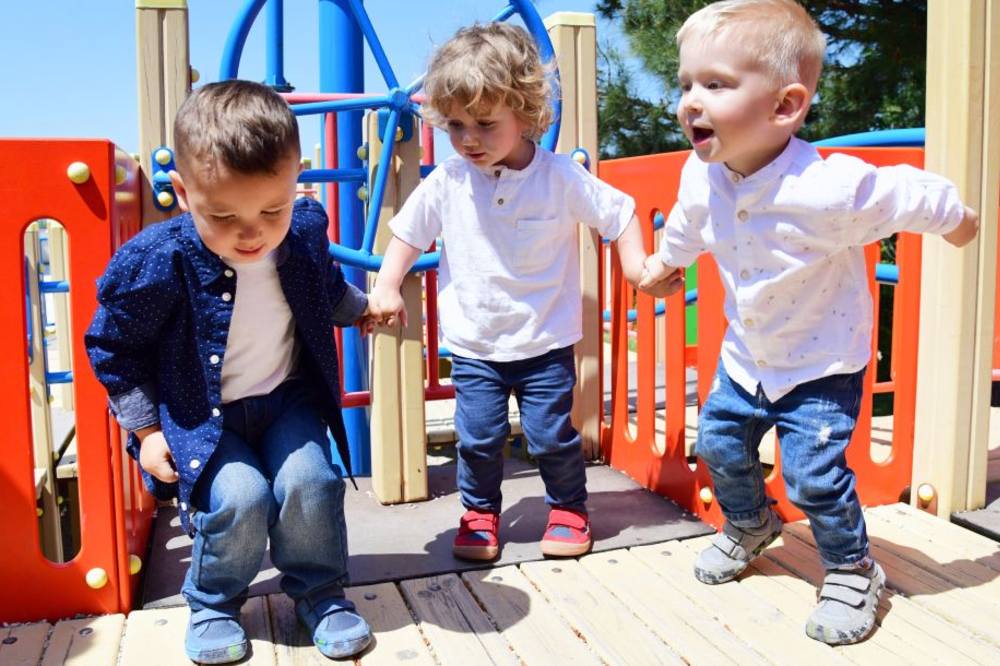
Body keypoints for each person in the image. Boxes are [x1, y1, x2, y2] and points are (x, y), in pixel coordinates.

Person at [639, 0, 979, 646]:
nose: (689, 101)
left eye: (714, 84)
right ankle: (750, 524)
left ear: (786, 106)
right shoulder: (699, 172)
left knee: (814, 476)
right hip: (747, 357)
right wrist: (663, 262)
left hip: (822, 363)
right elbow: (688, 224)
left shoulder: (830, 188)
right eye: (685, 85)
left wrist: (960, 220)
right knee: (719, 446)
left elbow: (910, 192)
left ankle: (853, 570)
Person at [85, 80, 374, 663]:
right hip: (203, 414)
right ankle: (215, 601)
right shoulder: (159, 260)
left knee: (311, 482)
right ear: (182, 192)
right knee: (241, 497)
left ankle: (320, 592)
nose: (252, 232)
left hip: (286, 398)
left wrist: (365, 310)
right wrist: (145, 433)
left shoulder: (303, 232)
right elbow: (114, 347)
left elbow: (321, 288)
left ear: (296, 183)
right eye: (222, 214)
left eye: (272, 208)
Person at [368, 22, 647, 561]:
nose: (468, 138)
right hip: (475, 347)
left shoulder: (560, 178)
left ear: (526, 113)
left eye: (485, 124)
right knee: (477, 438)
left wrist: (634, 264)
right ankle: (479, 514)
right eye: (455, 125)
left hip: (544, 343)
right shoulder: (449, 181)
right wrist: (385, 285)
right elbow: (406, 232)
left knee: (549, 437)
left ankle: (568, 507)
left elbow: (622, 213)